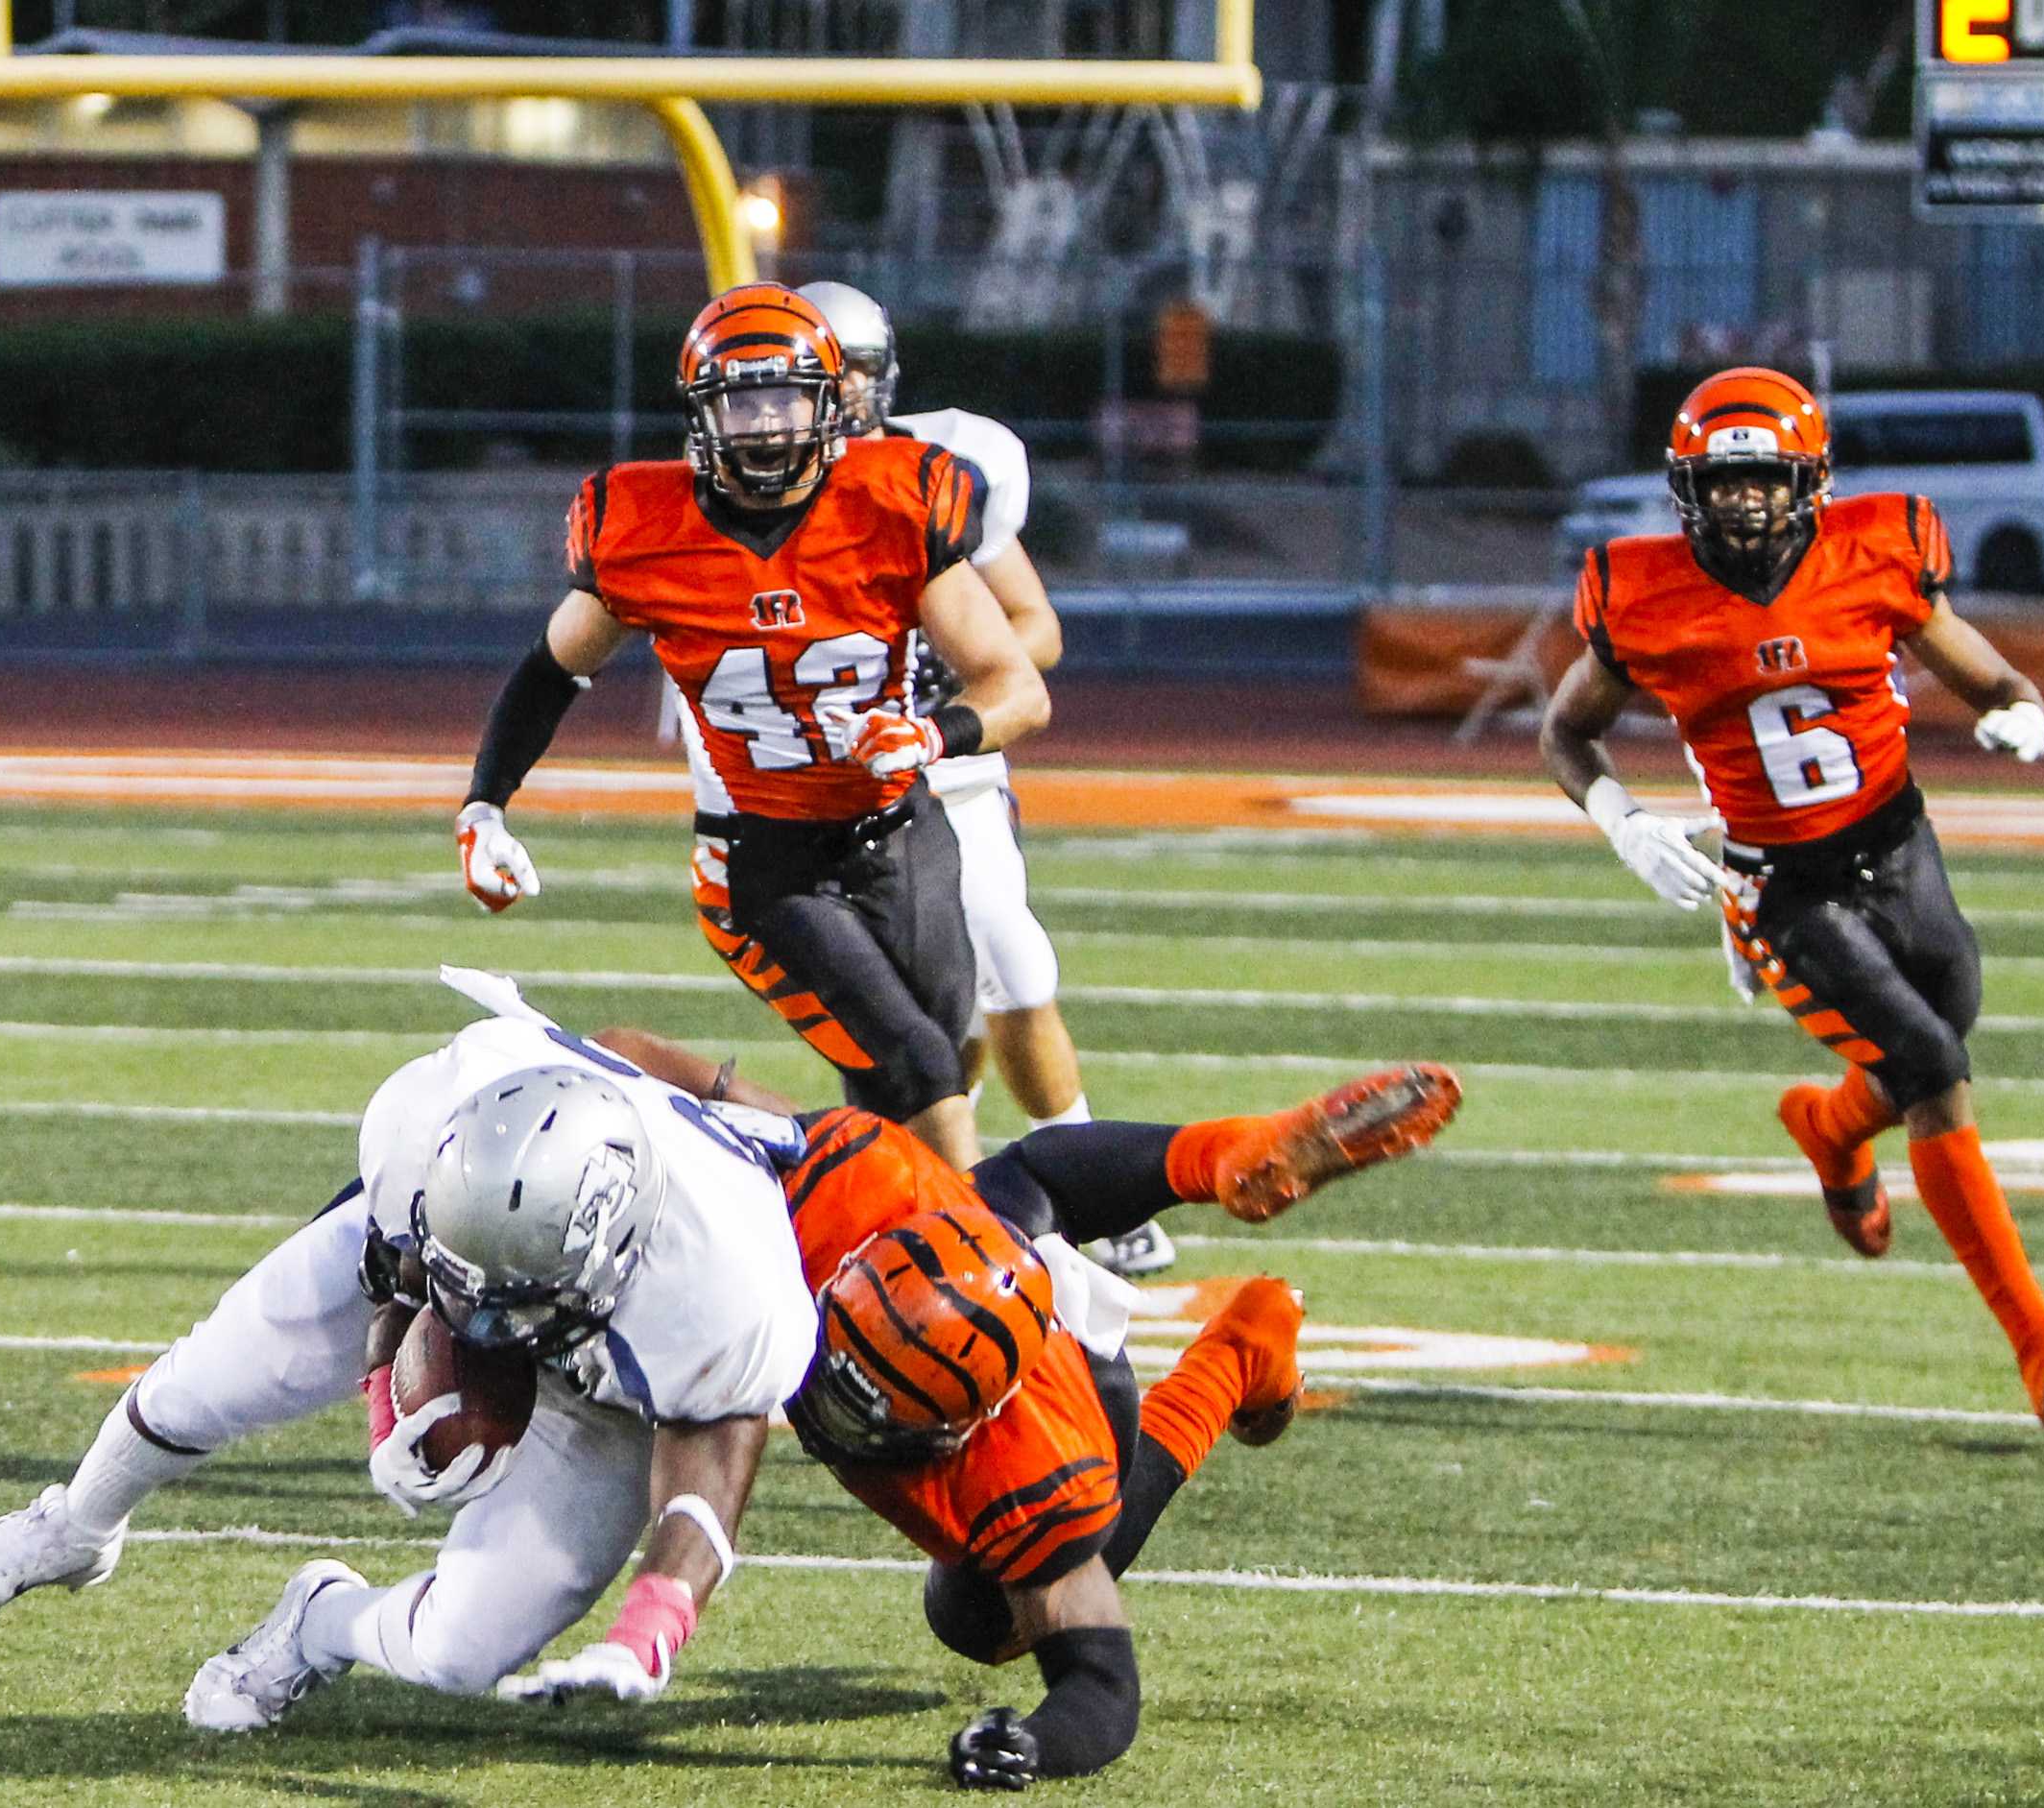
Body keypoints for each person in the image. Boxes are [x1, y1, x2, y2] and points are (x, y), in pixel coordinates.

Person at [519, 1023, 1463, 1786]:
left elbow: (1102, 1685)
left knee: (978, 1616)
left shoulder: (1024, 1460)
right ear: (843, 1285)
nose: (839, 1415)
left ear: (949, 1428)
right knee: (987, 1194)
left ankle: (1236, 1351)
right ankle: (1237, 1238)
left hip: (1077, 1387)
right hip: (965, 1245)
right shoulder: (845, 1189)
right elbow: (1039, 1174)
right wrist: (1221, 1157)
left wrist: (1036, 1744)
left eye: (875, 1409)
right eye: (841, 1366)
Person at [0, 969, 817, 1727]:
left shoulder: (728, 1285)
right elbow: (393, 1268)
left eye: (506, 1303)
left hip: (612, 1394)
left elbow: (707, 1483)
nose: (480, 1322)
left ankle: (320, 1622)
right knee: (224, 1363)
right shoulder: (435, 1124)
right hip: (468, 1244)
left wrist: (645, 1632)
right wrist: (390, 1390)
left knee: (463, 1650)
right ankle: (77, 1523)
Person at [1536, 365, 2044, 1434]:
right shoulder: (1644, 590)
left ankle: (1829, 1126)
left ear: (1808, 481)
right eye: (1721, 486)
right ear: (1686, 490)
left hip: (1901, 846)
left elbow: (1994, 679)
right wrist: (1625, 820)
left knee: (1943, 1024)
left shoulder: (1880, 549)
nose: (1742, 504)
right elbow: (1564, 729)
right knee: (1935, 1069)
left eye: (1763, 481)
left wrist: (2023, 713)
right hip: (1781, 884)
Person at [453, 283, 1050, 1170]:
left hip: (903, 830)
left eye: (784, 400)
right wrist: (484, 805)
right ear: (702, 414)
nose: (766, 427)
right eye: (741, 403)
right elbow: (553, 670)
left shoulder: (895, 501)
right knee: (921, 1066)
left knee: (913, 1070)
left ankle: (846, 1237)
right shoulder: (643, 529)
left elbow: (1019, 687)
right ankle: (975, 1270)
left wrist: (932, 737)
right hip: (764, 858)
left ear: (830, 403)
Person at [794, 277, 1174, 1280]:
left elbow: (1036, 626)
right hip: (822, 798)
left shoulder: (944, 466)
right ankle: (902, 1204)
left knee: (1013, 959)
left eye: (859, 375)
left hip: (947, 768)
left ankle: (1100, 1193)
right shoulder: (746, 496)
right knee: (917, 1029)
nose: (844, 398)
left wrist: (953, 690)